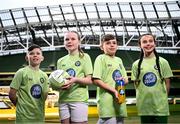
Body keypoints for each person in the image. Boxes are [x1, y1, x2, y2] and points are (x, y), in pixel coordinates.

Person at [131, 33, 173, 124]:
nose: (148, 44)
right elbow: (136, 85)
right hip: (144, 108)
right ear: (140, 45)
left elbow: (167, 83)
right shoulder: (136, 64)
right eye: (144, 42)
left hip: (160, 108)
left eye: (151, 41)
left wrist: (162, 100)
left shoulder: (163, 62)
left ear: (155, 43)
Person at [56, 31, 93, 124]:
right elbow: (59, 81)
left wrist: (75, 80)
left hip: (79, 100)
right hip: (63, 100)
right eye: (67, 39)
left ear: (79, 42)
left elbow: (89, 80)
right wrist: (60, 85)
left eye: (73, 39)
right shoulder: (60, 61)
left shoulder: (85, 57)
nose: (69, 41)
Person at [92, 34, 128, 124]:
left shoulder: (119, 60)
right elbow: (96, 80)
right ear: (101, 47)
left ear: (117, 46)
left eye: (114, 43)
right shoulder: (100, 59)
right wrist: (114, 91)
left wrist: (123, 81)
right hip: (107, 102)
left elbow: (126, 80)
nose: (112, 45)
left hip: (120, 101)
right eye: (108, 43)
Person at [9, 44, 49, 123]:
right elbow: (12, 94)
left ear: (42, 58)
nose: (35, 55)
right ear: (27, 58)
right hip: (23, 117)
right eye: (31, 53)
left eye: (38, 53)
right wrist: (20, 105)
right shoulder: (21, 72)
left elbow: (44, 96)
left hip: (39, 117)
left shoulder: (44, 76)